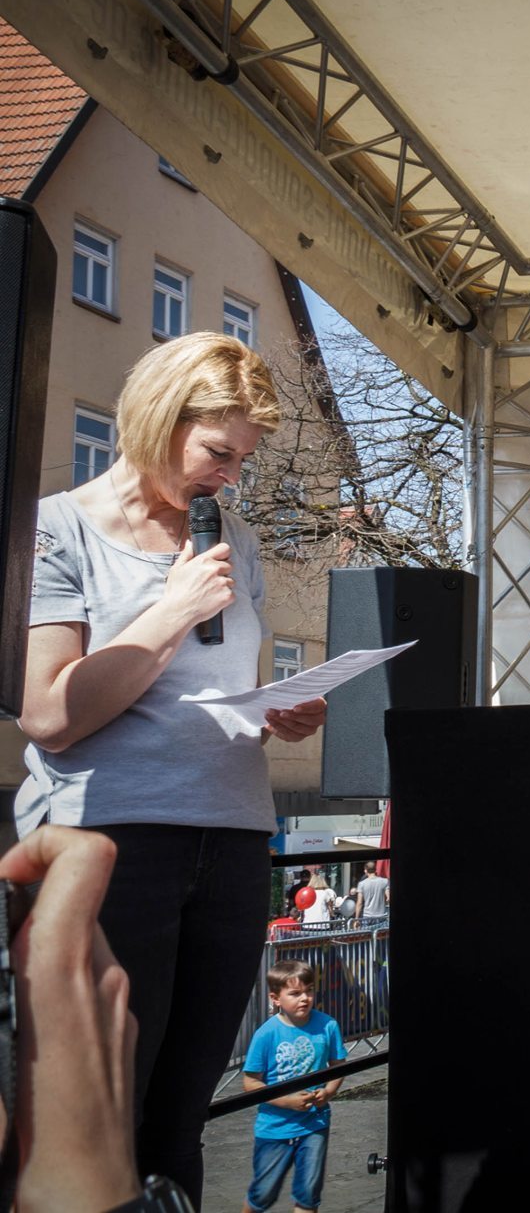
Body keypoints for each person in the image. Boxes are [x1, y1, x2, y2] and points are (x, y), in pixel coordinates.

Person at [15, 332, 329, 1201]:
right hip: (110, 842)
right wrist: (171, 610)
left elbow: (218, 700)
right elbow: (50, 715)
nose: (231, 477)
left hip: (232, 840)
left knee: (181, 1117)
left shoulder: (234, 538)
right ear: (159, 419)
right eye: (219, 453)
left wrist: (279, 715)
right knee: (102, 1120)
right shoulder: (58, 528)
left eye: (243, 461)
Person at [240, 960, 346, 1213]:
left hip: (315, 1124)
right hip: (275, 1128)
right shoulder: (266, 1034)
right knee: (262, 1193)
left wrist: (329, 1091)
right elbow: (250, 1082)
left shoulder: (328, 1026)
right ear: (276, 998)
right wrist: (286, 1101)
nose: (305, 998)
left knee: (308, 1195)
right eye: (295, 993)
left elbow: (338, 1065)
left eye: (309, 990)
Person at [353, 861, 390, 929]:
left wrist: (356, 919)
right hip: (381, 916)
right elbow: (388, 898)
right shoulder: (385, 881)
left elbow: (359, 903)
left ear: (365, 871)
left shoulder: (361, 884)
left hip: (367, 916)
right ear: (375, 870)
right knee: (381, 935)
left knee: (367, 935)